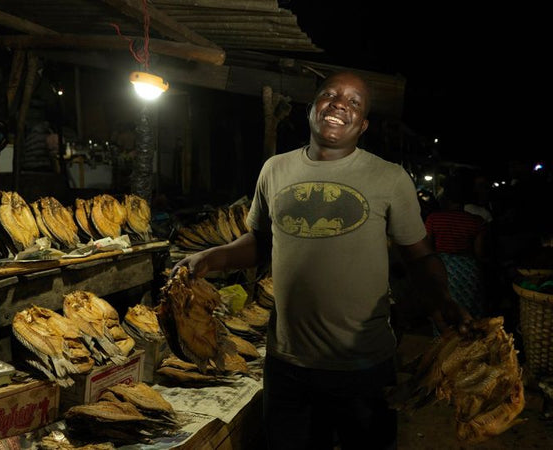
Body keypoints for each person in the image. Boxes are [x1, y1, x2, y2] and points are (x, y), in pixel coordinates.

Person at [172, 70, 471, 450]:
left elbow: (419, 256)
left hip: (363, 364)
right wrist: (210, 258)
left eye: (353, 102)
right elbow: (262, 242)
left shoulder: (389, 178)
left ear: (362, 125)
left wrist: (441, 299)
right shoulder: (275, 169)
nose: (339, 104)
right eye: (330, 95)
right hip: (287, 363)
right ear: (312, 109)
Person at [425, 175, 489, 321]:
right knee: (472, 313)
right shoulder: (477, 221)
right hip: (469, 271)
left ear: (445, 197)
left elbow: (427, 249)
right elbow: (479, 253)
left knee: (446, 314)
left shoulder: (433, 219)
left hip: (442, 270)